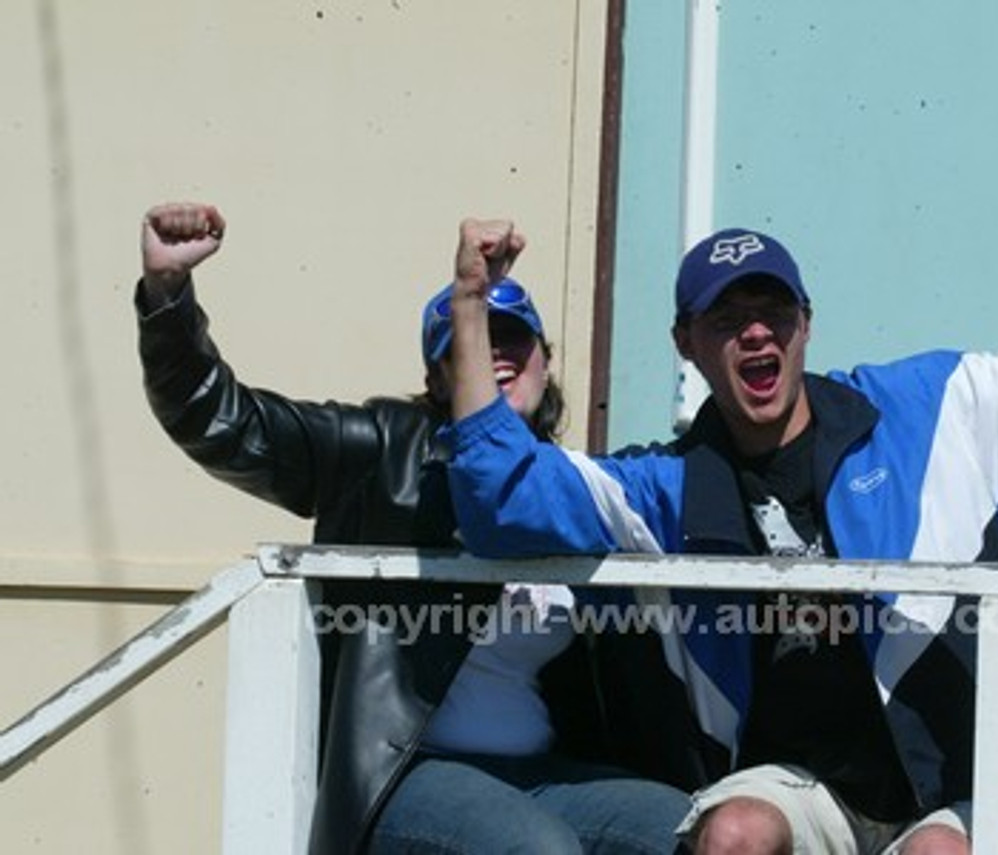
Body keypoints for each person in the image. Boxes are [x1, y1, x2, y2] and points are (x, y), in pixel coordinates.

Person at [439, 91, 998, 855]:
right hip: (796, 785)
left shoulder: (935, 414)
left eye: (775, 310)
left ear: (806, 324)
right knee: (733, 835)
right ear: (686, 343)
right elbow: (499, 495)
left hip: (947, 788)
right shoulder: (662, 489)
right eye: (726, 318)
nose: (756, 331)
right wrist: (469, 304)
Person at [134, 205, 690, 855]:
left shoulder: (574, 485)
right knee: (537, 850)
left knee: (681, 825)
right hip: (405, 772)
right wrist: (167, 292)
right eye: (472, 339)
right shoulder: (380, 452)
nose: (498, 357)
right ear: (437, 376)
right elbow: (220, 419)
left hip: (542, 774)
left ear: (545, 359)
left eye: (515, 339)